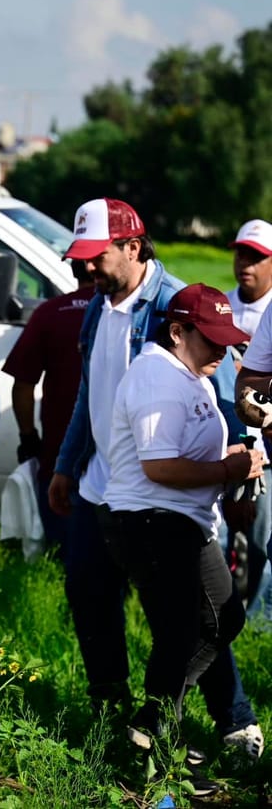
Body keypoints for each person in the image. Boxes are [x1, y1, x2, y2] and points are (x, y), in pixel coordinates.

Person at [51, 197, 261, 758]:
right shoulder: (98, 306)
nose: (86, 269)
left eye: (97, 257)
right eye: (82, 257)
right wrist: (67, 465)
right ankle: (112, 710)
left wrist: (239, 477)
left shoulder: (178, 308)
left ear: (133, 247)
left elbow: (220, 400)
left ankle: (231, 719)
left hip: (166, 495)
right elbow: (88, 394)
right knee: (92, 596)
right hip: (107, 486)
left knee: (196, 617)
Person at [101, 284, 263, 783]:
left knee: (216, 623)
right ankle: (152, 750)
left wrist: (235, 467)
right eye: (210, 338)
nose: (221, 350)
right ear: (177, 331)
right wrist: (228, 471)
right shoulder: (156, 376)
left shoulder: (186, 374)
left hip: (181, 522)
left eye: (226, 340)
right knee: (184, 635)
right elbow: (160, 468)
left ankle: (150, 730)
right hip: (151, 520)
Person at [2, 260, 95, 551]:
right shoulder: (129, 314)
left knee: (61, 551)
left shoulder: (50, 313)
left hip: (59, 456)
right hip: (118, 460)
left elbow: (23, 384)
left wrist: (28, 437)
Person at [225, 218, 272, 612]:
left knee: (260, 542)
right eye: (242, 253)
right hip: (228, 440)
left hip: (266, 452)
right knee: (223, 534)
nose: (246, 264)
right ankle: (224, 616)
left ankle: (253, 616)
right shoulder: (220, 307)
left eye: (257, 257)